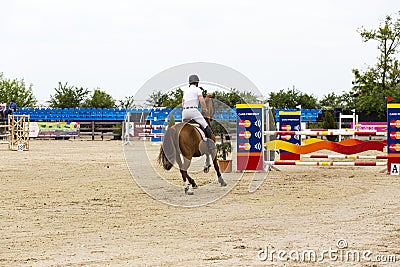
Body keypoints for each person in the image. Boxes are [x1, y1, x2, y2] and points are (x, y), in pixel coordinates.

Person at [182, 74, 215, 151]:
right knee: (206, 126)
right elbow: (201, 100)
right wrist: (204, 108)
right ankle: (210, 145)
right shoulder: (198, 89)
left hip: (184, 113)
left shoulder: (185, 91)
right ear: (196, 83)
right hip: (193, 111)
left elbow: (183, 103)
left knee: (182, 128)